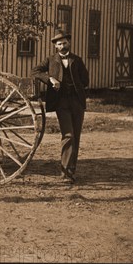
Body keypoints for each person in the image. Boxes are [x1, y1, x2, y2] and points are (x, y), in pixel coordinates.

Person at [32, 29, 89, 184]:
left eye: (65, 43)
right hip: (61, 102)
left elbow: (85, 80)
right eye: (59, 44)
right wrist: (50, 79)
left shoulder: (77, 60)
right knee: (68, 135)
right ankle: (65, 172)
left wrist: (76, 86)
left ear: (69, 43)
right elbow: (35, 71)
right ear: (55, 46)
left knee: (76, 136)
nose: (63, 46)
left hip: (77, 102)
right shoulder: (51, 60)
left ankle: (71, 172)